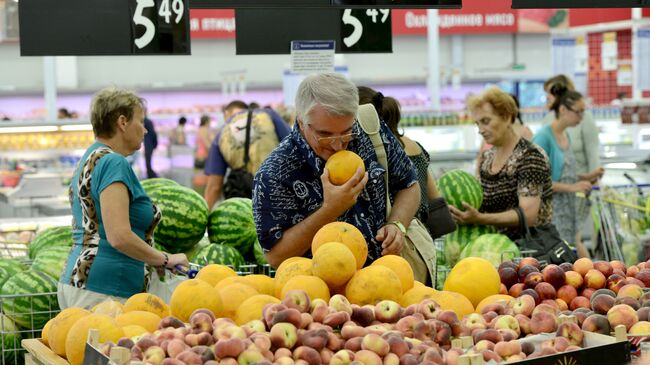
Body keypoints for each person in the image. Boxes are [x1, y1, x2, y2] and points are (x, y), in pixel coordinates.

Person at [252, 73, 420, 269]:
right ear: (301, 122)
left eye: (347, 131)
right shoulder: (274, 174)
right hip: (319, 294)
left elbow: (409, 184)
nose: (338, 145)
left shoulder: (369, 129)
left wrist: (397, 225)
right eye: (324, 134)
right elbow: (276, 256)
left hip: (384, 281)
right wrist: (330, 210)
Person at [58, 87, 188, 309]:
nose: (145, 130)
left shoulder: (90, 157)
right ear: (122, 122)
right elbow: (118, 236)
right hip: (107, 290)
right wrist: (165, 259)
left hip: (84, 281)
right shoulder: (113, 163)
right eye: (141, 121)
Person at [450, 87, 554, 241]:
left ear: (507, 117)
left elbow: (528, 215)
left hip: (529, 253)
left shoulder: (530, 156)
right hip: (494, 246)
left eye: (486, 121)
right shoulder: (487, 158)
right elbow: (481, 204)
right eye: (477, 124)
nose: (480, 130)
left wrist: (479, 218)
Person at [533, 85, 601, 258]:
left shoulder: (565, 135)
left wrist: (587, 177)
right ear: (563, 109)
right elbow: (535, 181)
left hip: (568, 208)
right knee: (558, 258)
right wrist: (573, 187)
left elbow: (564, 172)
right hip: (550, 212)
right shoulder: (543, 137)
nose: (582, 117)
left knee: (572, 249)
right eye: (579, 112)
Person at [358, 86, 439, 224]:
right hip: (422, 233)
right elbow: (434, 196)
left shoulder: (376, 153)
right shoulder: (414, 145)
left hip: (400, 233)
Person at [204, 101, 291, 210]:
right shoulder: (268, 115)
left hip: (244, 202)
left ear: (226, 113)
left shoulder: (222, 132)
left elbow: (214, 187)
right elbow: (295, 146)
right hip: (278, 193)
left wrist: (203, 217)